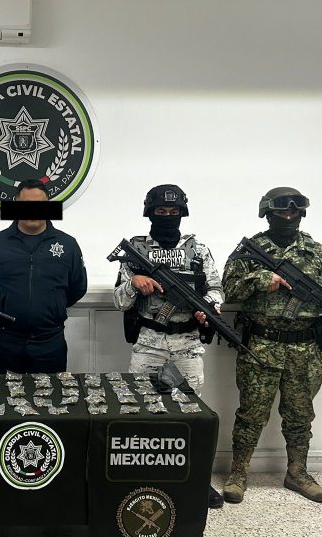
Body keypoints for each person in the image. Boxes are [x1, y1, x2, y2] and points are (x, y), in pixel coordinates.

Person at [113, 184, 225, 509]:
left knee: (190, 413)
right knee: (139, 411)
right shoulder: (136, 250)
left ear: (181, 214)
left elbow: (216, 288)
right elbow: (119, 301)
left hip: (187, 343)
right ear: (150, 213)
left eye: (173, 212)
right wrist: (134, 283)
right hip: (149, 342)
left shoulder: (198, 250)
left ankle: (195, 479)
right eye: (160, 212)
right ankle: (140, 479)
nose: (167, 217)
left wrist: (209, 306)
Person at [222, 186, 322, 504]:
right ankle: (238, 474)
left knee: (300, 416)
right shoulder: (252, 250)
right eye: (282, 211)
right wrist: (260, 280)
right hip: (262, 346)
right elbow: (228, 290)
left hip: (305, 349)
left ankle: (297, 473)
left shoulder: (315, 251)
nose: (289, 216)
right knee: (251, 414)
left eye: (294, 210)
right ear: (268, 212)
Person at [0, 179, 87, 374]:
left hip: (50, 343)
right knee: (2, 394)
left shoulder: (68, 245)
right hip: (6, 342)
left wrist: (54, 307)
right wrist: (7, 303)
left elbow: (78, 288)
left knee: (52, 394)